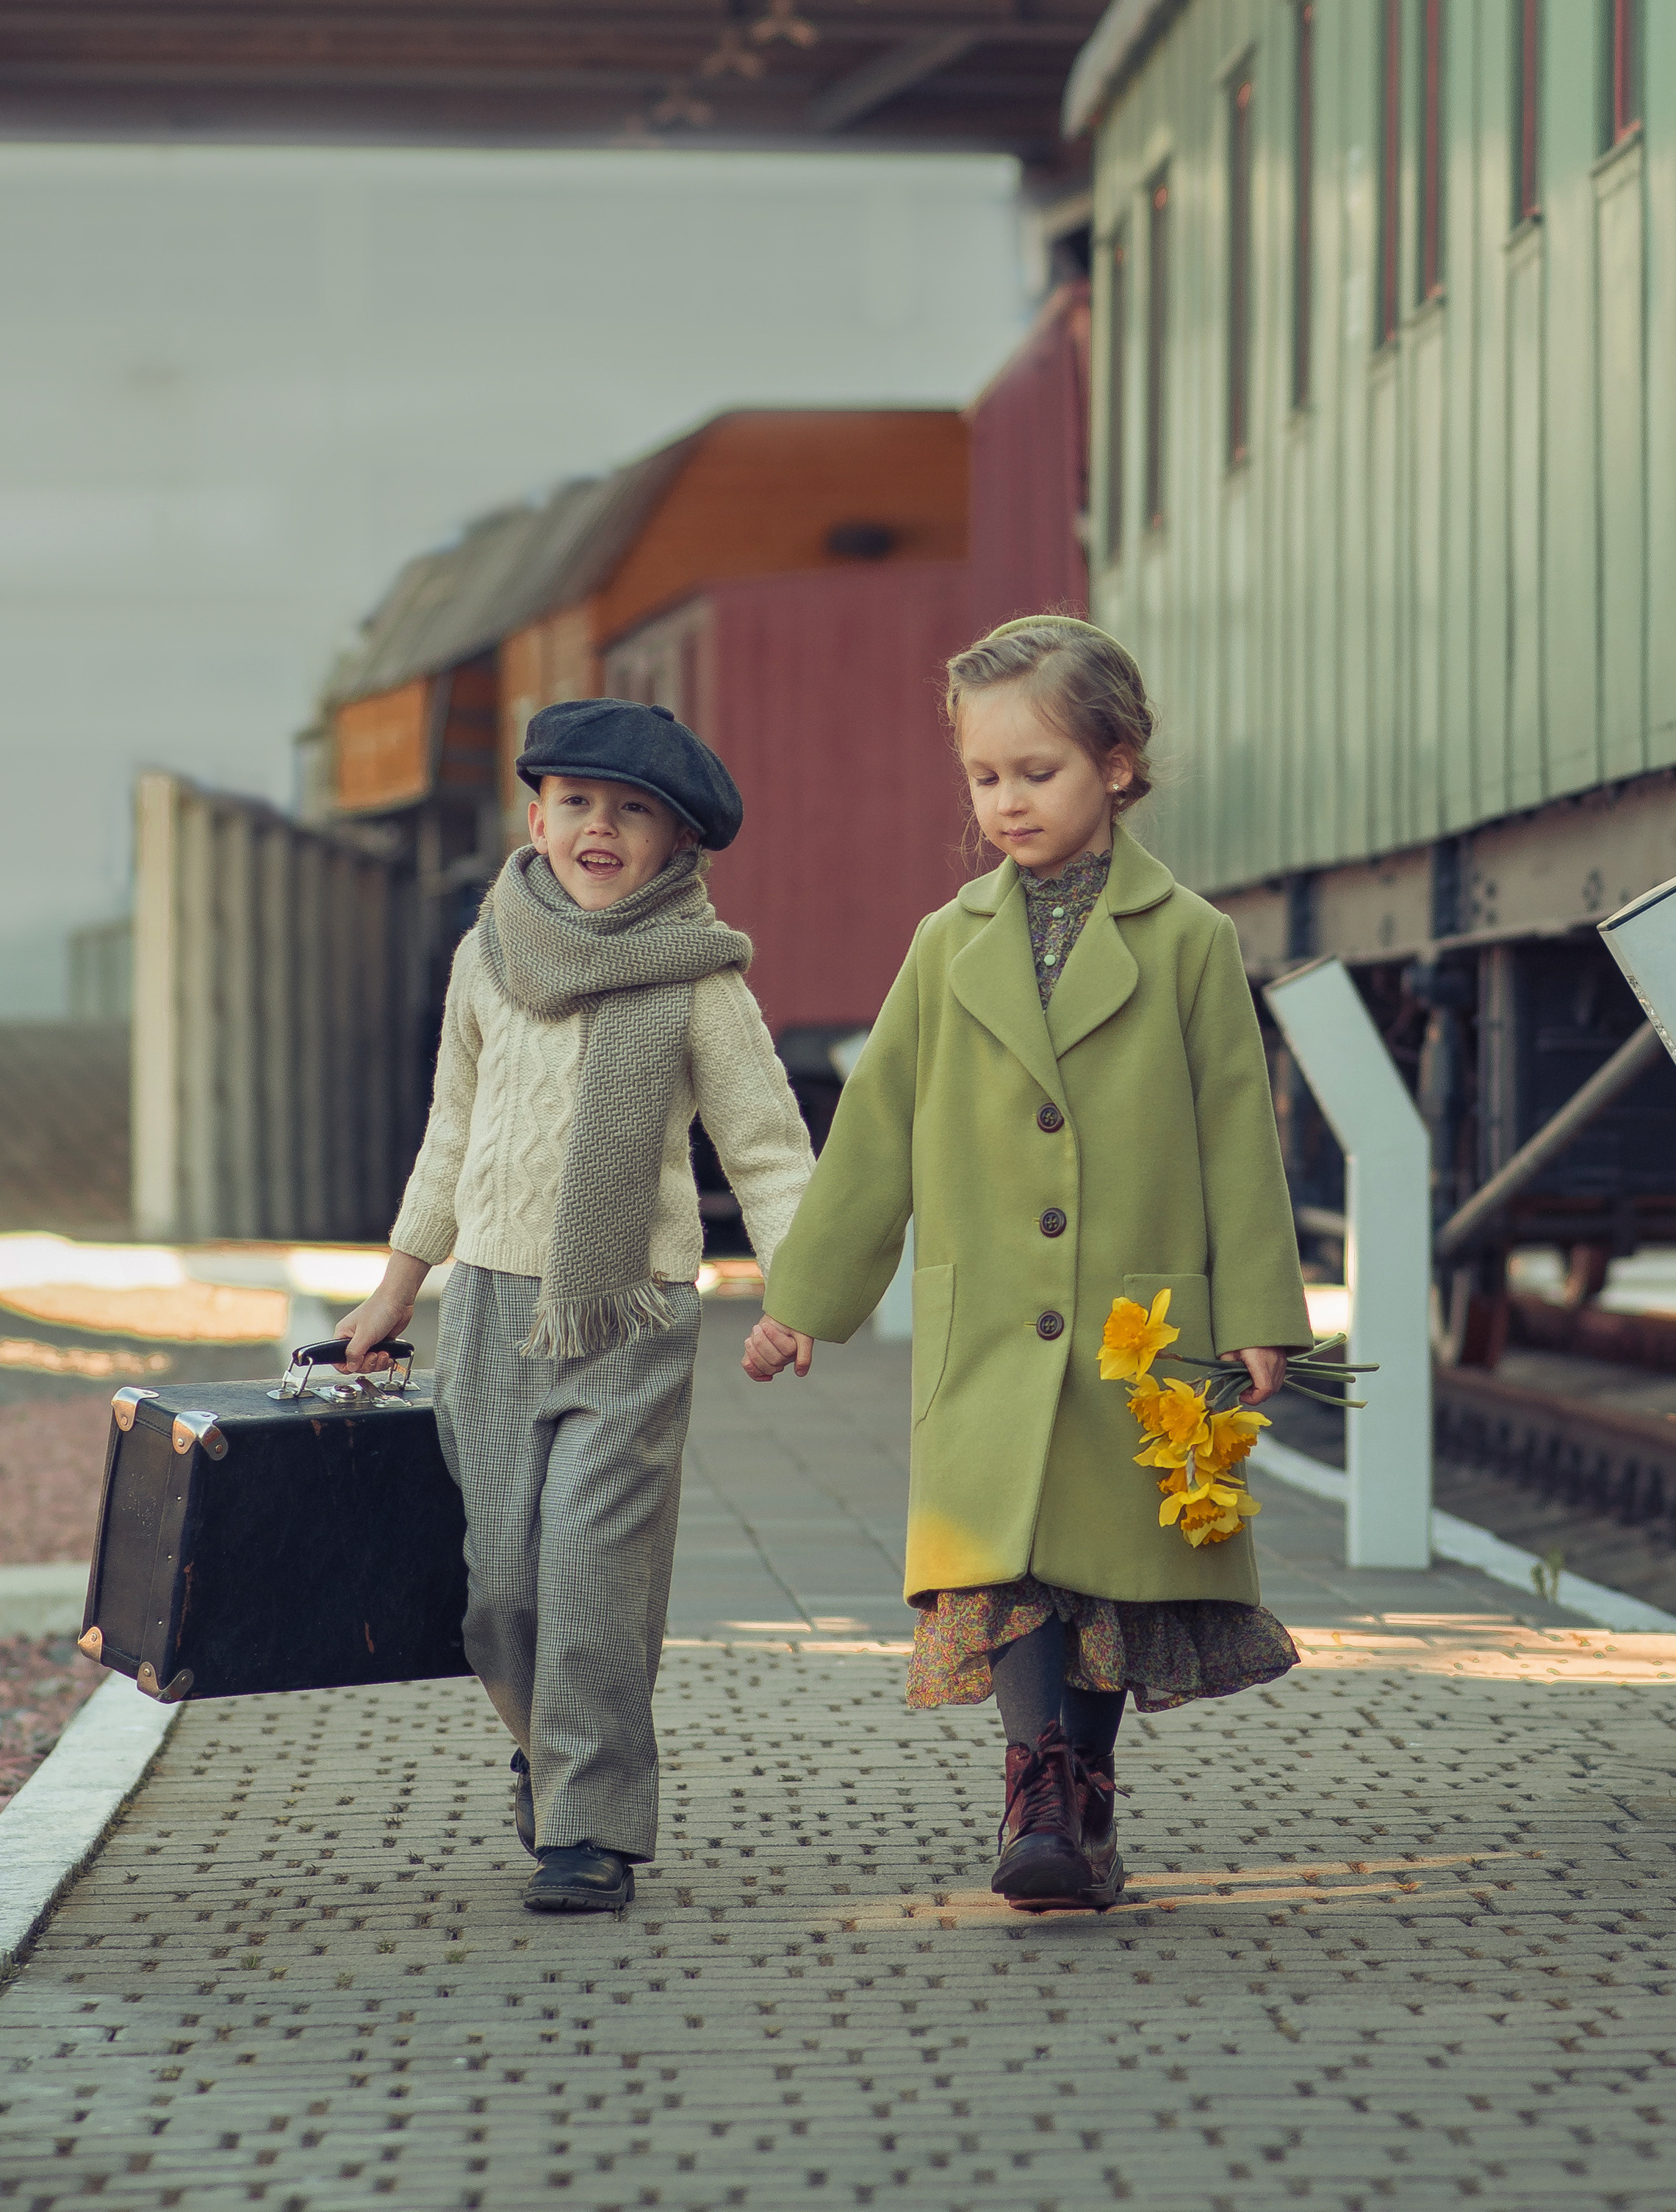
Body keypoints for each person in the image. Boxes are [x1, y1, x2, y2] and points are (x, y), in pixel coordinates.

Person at [742, 617, 1311, 1913]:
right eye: (984, 778)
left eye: (1036, 773)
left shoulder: (1190, 942)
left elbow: (1239, 1137)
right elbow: (875, 1133)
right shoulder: (948, 945)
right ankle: (1038, 1789)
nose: (1005, 802)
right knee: (1006, 1565)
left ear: (1117, 764)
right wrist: (801, 1303)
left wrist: (1265, 1315)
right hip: (992, 1322)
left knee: (1104, 1568)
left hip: (1140, 1327)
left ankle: (1084, 1795)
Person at [339, 698, 814, 1917]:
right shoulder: (488, 956)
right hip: (491, 1311)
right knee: (499, 1593)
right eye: (578, 802)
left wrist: (800, 1290)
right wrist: (398, 1286)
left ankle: (589, 1828)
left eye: (634, 810)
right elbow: (451, 1128)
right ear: (536, 815)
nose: (601, 827)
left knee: (594, 1579)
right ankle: (548, 1751)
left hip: (632, 1314)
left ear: (676, 843)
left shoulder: (700, 977)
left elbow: (765, 1148)